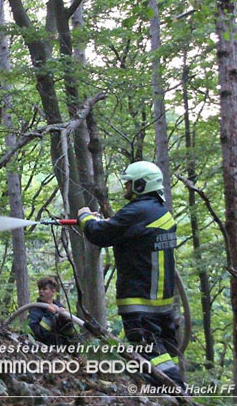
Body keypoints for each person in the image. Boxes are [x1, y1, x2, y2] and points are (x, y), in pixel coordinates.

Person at [77, 161, 185, 388]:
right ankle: (164, 395)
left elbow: (98, 235)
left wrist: (85, 217)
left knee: (150, 355)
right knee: (166, 351)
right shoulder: (158, 211)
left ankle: (178, 394)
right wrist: (111, 224)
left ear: (141, 185)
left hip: (140, 301)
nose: (126, 188)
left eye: (129, 184)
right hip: (163, 303)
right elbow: (132, 234)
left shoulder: (137, 211)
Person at [28, 277, 76, 346]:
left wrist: (65, 321)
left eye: (44, 289)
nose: (41, 291)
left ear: (53, 291)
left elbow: (71, 336)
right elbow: (37, 335)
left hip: (61, 351)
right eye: (39, 289)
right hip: (43, 350)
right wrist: (49, 314)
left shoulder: (60, 308)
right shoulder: (35, 310)